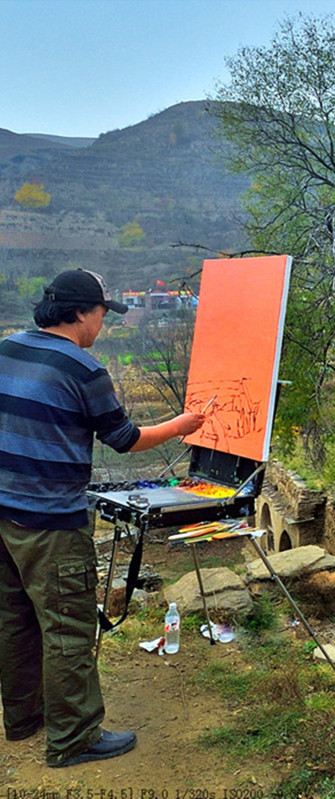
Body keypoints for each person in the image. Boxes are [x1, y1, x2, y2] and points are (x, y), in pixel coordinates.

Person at [0, 269, 204, 768]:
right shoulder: (83, 368)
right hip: (51, 522)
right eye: (99, 314)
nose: (102, 325)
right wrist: (182, 425)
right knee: (67, 627)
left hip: (3, 515)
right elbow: (126, 439)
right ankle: (74, 740)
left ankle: (24, 719)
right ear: (78, 313)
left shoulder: (6, 348)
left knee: (14, 620)